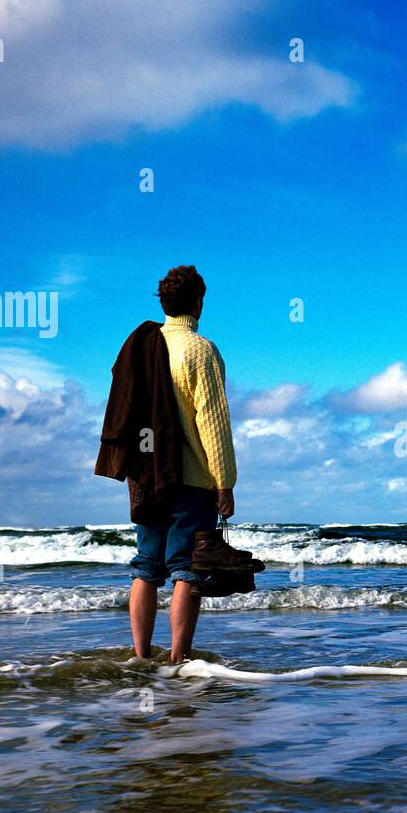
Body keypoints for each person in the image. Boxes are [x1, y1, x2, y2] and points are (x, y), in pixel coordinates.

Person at [127, 265, 237, 663]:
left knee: (145, 568)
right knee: (187, 571)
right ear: (198, 302)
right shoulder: (200, 349)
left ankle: (140, 657)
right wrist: (225, 482)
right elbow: (212, 420)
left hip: (145, 476)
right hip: (190, 481)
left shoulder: (141, 346)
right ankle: (178, 661)